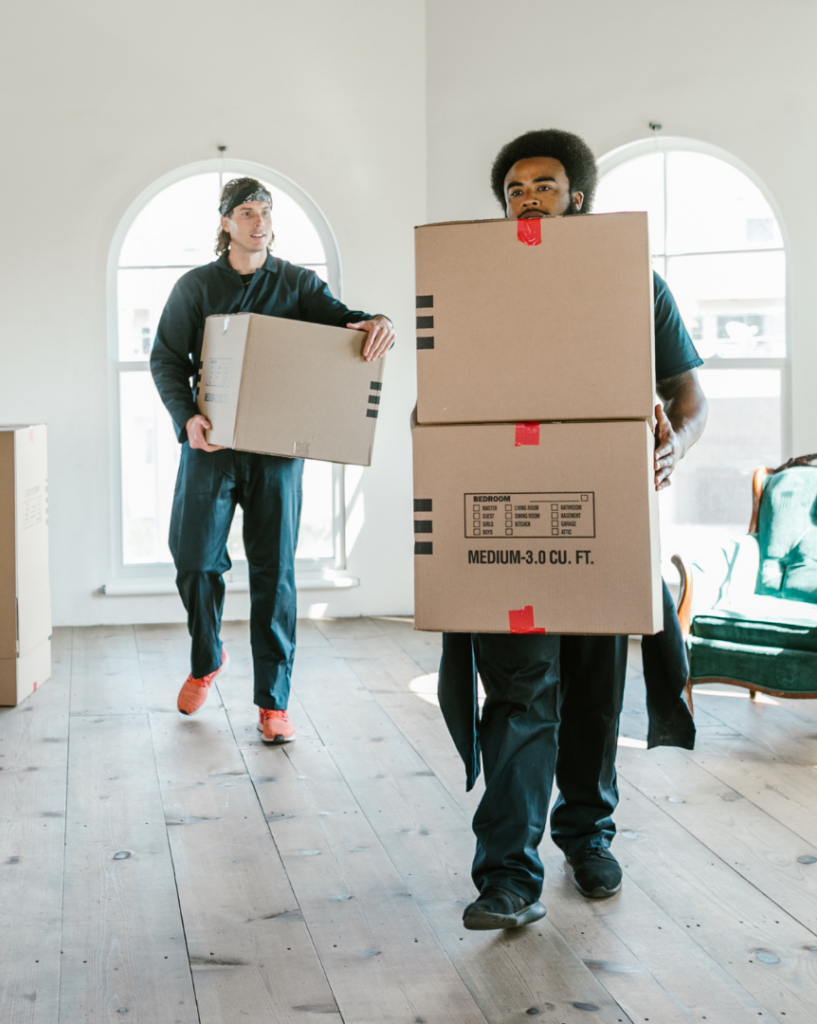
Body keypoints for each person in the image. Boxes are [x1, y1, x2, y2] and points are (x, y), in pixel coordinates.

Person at [439, 130, 707, 930]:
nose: (528, 196)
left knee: (593, 697)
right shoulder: (474, 289)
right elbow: (444, 404)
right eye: (516, 187)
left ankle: (588, 837)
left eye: (545, 184)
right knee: (519, 696)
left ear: (578, 196)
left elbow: (689, 399)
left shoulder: (634, 283)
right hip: (504, 524)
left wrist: (673, 447)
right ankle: (509, 878)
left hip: (601, 521)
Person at [151, 176, 394, 744]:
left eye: (266, 212)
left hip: (277, 453)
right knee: (194, 559)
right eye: (246, 212)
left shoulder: (299, 283)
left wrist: (377, 321)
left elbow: (344, 322)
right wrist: (187, 419)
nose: (259, 222)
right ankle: (207, 658)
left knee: (274, 574)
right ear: (225, 223)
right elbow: (165, 358)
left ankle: (273, 702)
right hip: (211, 447)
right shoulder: (194, 287)